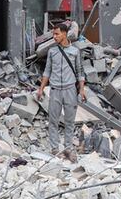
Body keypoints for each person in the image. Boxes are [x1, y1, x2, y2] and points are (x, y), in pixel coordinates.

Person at [36, 22, 86, 160]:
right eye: (53, 34)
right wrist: (41, 89)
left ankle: (68, 148)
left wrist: (82, 90)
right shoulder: (52, 52)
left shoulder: (75, 51)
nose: (54, 37)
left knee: (70, 121)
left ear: (65, 34)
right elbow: (47, 71)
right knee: (53, 120)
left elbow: (80, 72)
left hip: (70, 90)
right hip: (55, 90)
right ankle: (54, 148)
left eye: (57, 34)